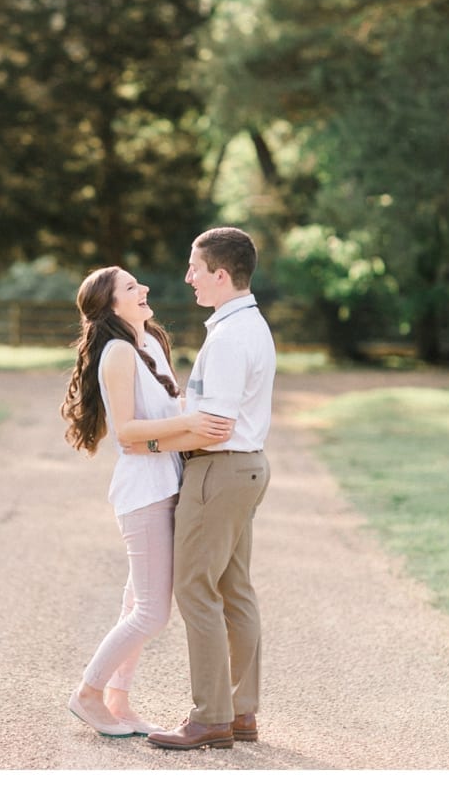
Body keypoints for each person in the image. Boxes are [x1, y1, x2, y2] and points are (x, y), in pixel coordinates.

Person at [59, 266, 234, 738]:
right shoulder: (116, 353)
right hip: (143, 492)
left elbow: (165, 415)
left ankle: (117, 700)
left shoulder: (150, 342)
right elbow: (127, 433)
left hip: (167, 481)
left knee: (137, 599)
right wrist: (190, 430)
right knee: (152, 612)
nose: (145, 290)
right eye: (132, 288)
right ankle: (88, 693)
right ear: (111, 305)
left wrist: (190, 421)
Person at [133, 227, 277, 751]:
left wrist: (147, 442)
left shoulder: (232, 336)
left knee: (195, 587)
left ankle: (211, 716)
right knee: (234, 589)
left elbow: (212, 425)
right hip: (244, 468)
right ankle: (240, 713)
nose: (187, 276)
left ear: (221, 274)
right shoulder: (247, 325)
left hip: (218, 471)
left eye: (194, 267)